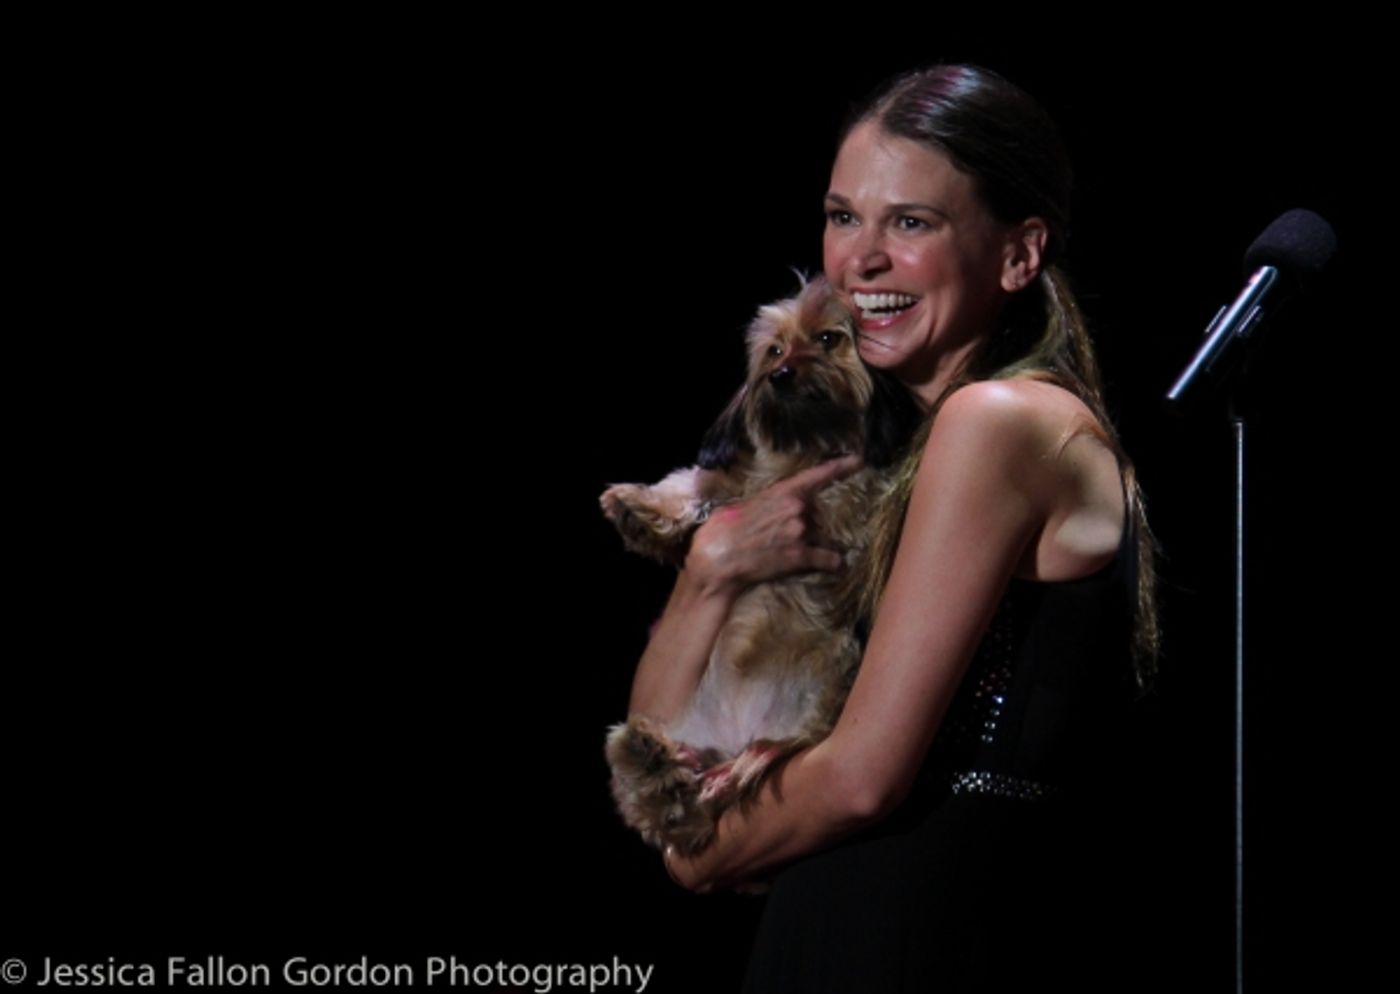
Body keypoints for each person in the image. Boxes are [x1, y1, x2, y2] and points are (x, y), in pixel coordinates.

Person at [624, 63, 1159, 991]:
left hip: (918, 933)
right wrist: (711, 567)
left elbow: (860, 776)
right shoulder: (882, 453)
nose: (859, 261)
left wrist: (697, 854)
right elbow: (653, 762)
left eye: (911, 223)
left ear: (1018, 255)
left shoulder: (999, 421)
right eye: (844, 217)